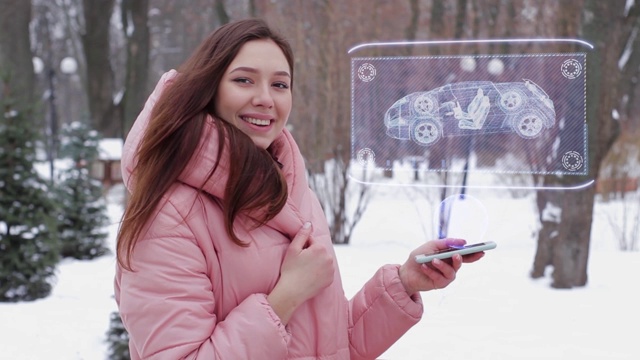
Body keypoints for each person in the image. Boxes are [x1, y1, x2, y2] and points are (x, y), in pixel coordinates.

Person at [114, 18, 485, 360]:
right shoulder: (168, 218)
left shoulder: (291, 193)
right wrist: (286, 297)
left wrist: (405, 282)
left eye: (280, 84)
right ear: (207, 90)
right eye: (244, 80)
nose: (265, 98)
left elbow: (332, 345)